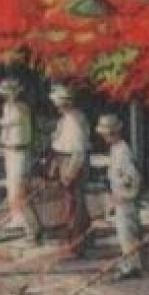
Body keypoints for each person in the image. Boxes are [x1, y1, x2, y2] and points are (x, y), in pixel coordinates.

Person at [0, 78, 43, 245]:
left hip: (20, 152)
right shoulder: (7, 107)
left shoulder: (20, 108)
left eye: (9, 93)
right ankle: (17, 219)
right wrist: (1, 143)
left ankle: (33, 229)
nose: (7, 96)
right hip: (9, 150)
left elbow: (8, 123)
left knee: (20, 191)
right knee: (10, 187)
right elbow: (4, 129)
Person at [96, 114, 143, 280]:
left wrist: (123, 194)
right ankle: (131, 263)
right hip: (118, 197)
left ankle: (132, 266)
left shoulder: (124, 151)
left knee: (127, 234)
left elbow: (132, 177)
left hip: (125, 199)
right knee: (123, 235)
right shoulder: (115, 149)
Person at [49, 84, 92, 256]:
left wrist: (70, 172)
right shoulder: (67, 118)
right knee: (73, 203)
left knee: (74, 206)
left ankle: (77, 245)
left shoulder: (74, 120)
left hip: (72, 162)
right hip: (65, 159)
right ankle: (82, 240)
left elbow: (79, 151)